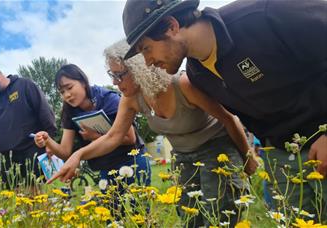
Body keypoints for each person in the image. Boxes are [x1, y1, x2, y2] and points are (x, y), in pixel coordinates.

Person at [121, 0, 327, 219]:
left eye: (146, 48)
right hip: (281, 157)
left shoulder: (267, 14)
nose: (148, 62)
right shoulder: (198, 76)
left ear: (171, 26)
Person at [48, 40, 259, 227]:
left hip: (217, 148)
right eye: (112, 75)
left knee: (221, 215)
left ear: (139, 68)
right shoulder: (130, 99)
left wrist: (248, 158)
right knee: (190, 217)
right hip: (183, 156)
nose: (114, 82)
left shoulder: (182, 84)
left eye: (119, 75)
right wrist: (78, 155)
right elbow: (113, 137)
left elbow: (228, 119)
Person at [34, 64, 151, 187]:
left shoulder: (109, 99)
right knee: (111, 206)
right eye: (62, 92)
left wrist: (95, 136)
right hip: (106, 167)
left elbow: (130, 138)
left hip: (132, 160)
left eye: (69, 87)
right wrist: (48, 141)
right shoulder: (69, 112)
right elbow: (65, 152)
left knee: (138, 204)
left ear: (83, 82)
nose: (67, 95)